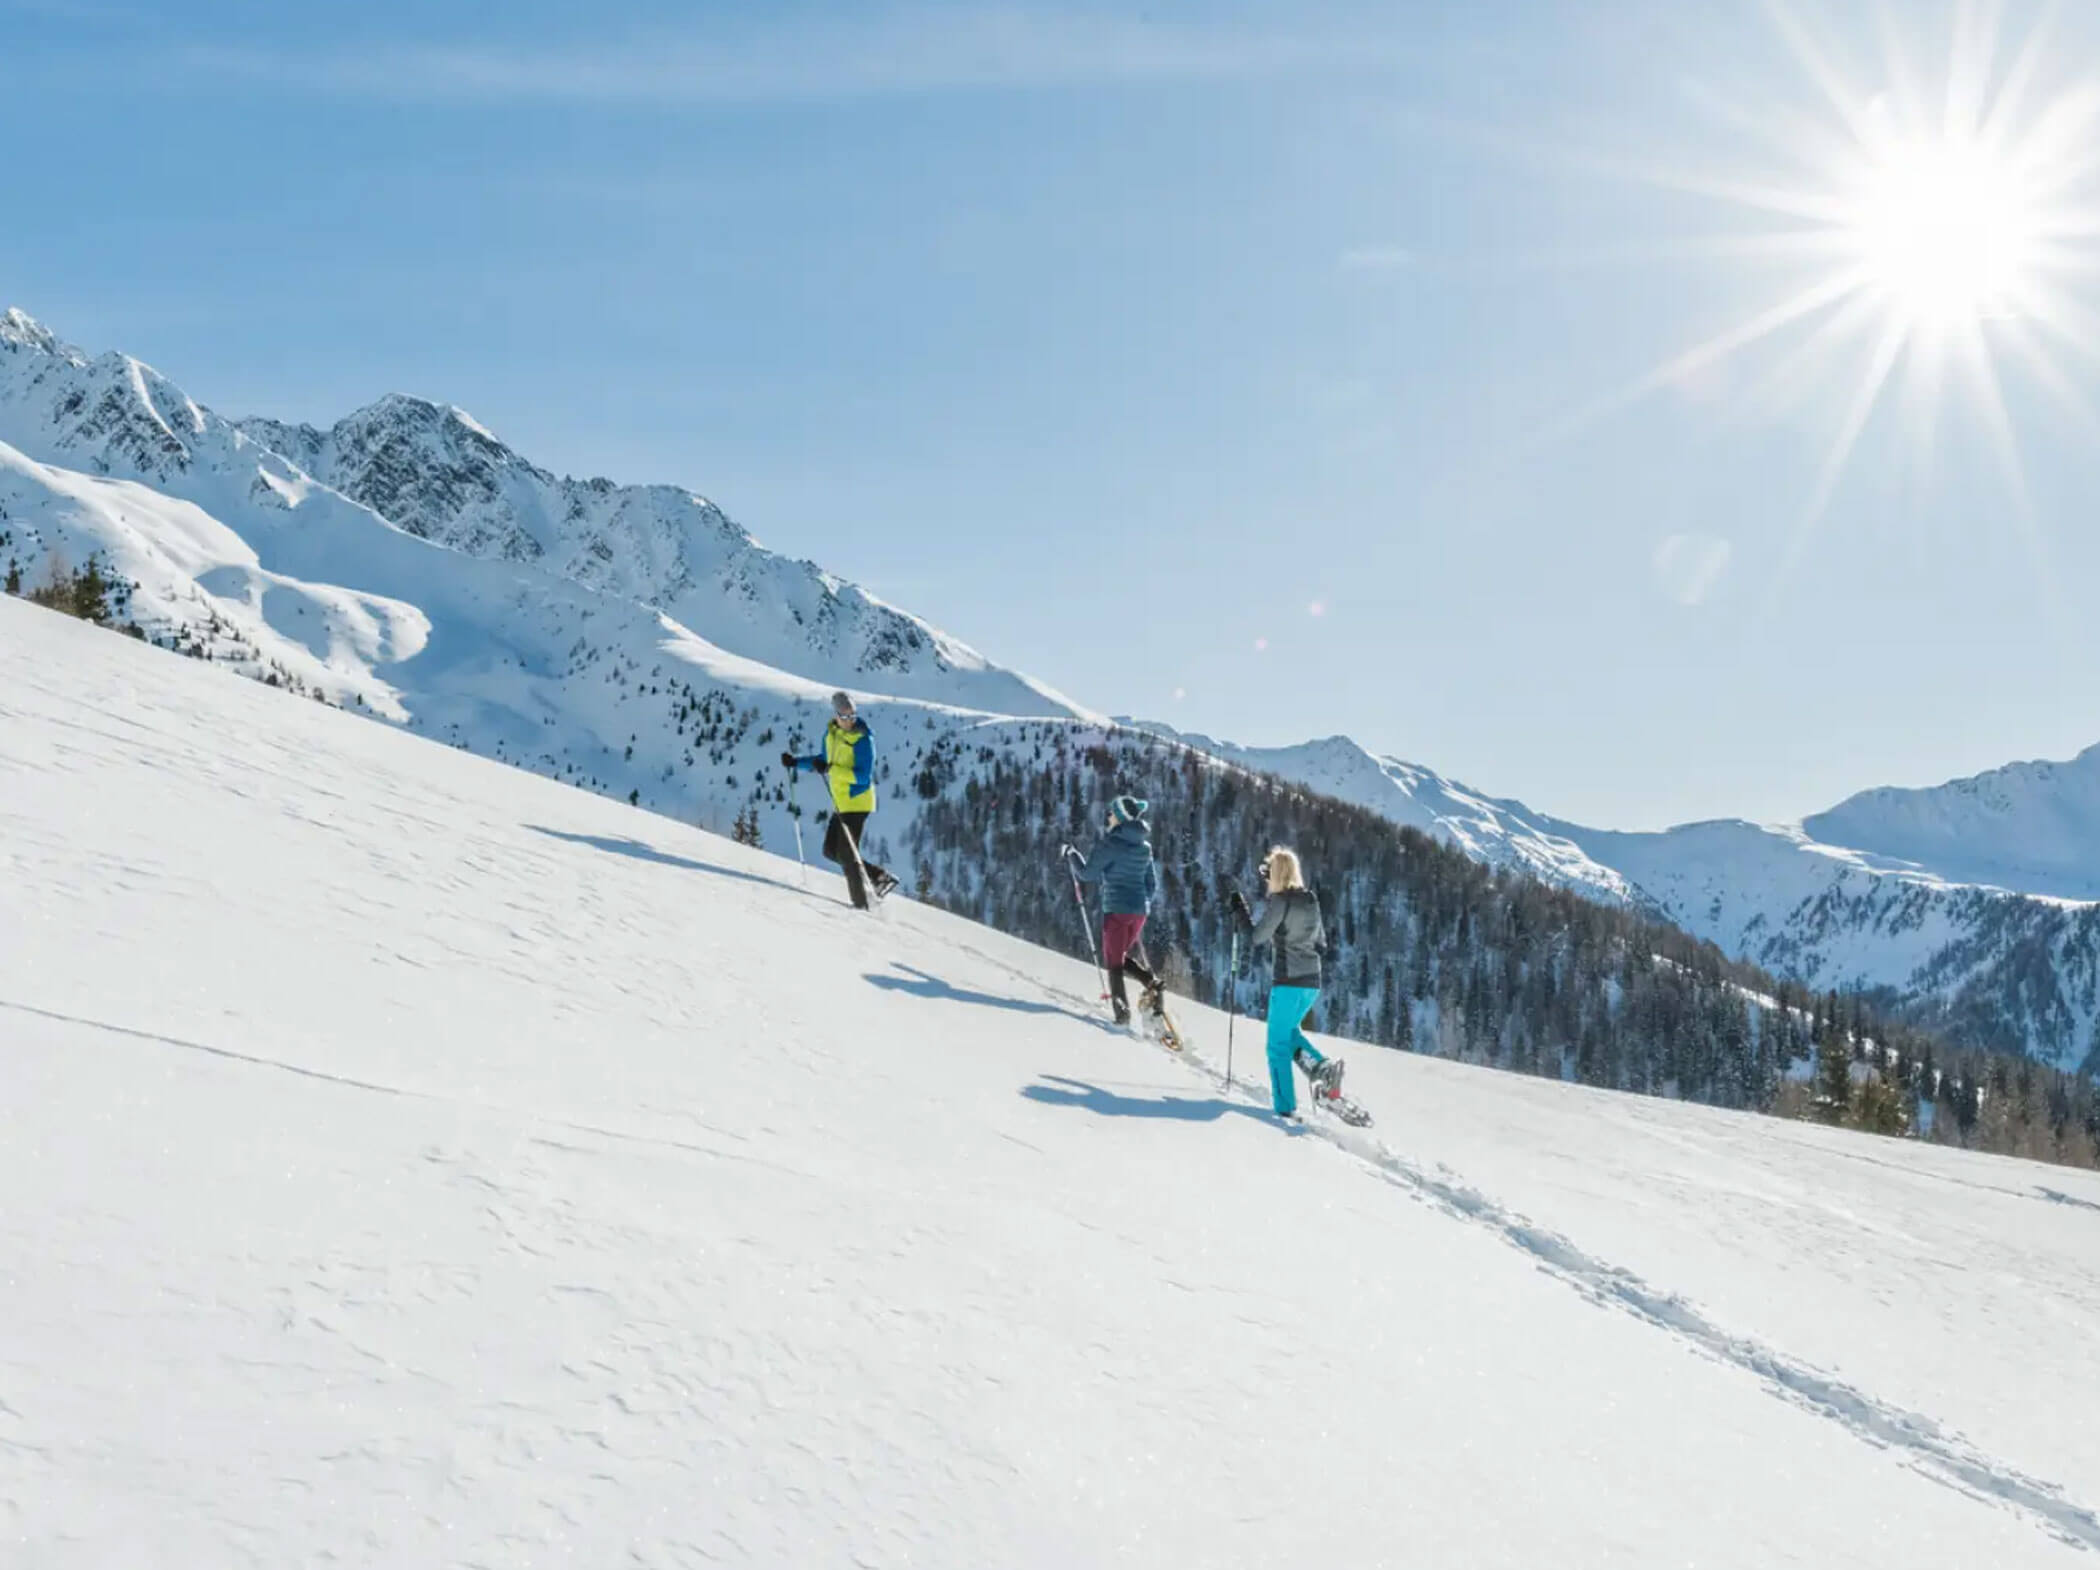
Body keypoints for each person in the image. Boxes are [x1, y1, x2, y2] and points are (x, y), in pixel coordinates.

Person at [1231, 847, 1343, 1120]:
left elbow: (1256, 937)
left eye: (1268, 874)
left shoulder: (1281, 902)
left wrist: (1240, 911)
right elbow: (1321, 942)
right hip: (1311, 982)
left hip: (1289, 982)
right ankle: (1322, 1068)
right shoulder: (1310, 900)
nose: (1266, 880)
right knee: (1289, 1033)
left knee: (1276, 1047)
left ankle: (1284, 1107)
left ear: (1277, 874)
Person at [781, 691, 897, 910]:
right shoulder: (831, 735)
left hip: (857, 801)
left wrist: (832, 769)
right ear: (835, 715)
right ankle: (879, 877)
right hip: (841, 803)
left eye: (852, 716)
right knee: (831, 850)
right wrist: (795, 763)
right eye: (844, 716)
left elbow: (863, 776)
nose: (849, 721)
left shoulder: (863, 739)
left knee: (846, 853)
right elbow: (823, 761)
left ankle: (862, 905)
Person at [1068, 795, 1165, 1027]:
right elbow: (1152, 883)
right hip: (1139, 912)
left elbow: (1087, 874)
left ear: (1120, 818)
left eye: (1112, 813)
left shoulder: (1110, 844)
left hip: (1116, 911)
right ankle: (1151, 982)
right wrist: (1141, 903)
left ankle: (1122, 1015)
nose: (1108, 817)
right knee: (1119, 955)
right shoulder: (1144, 847)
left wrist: (1071, 855)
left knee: (1113, 961)